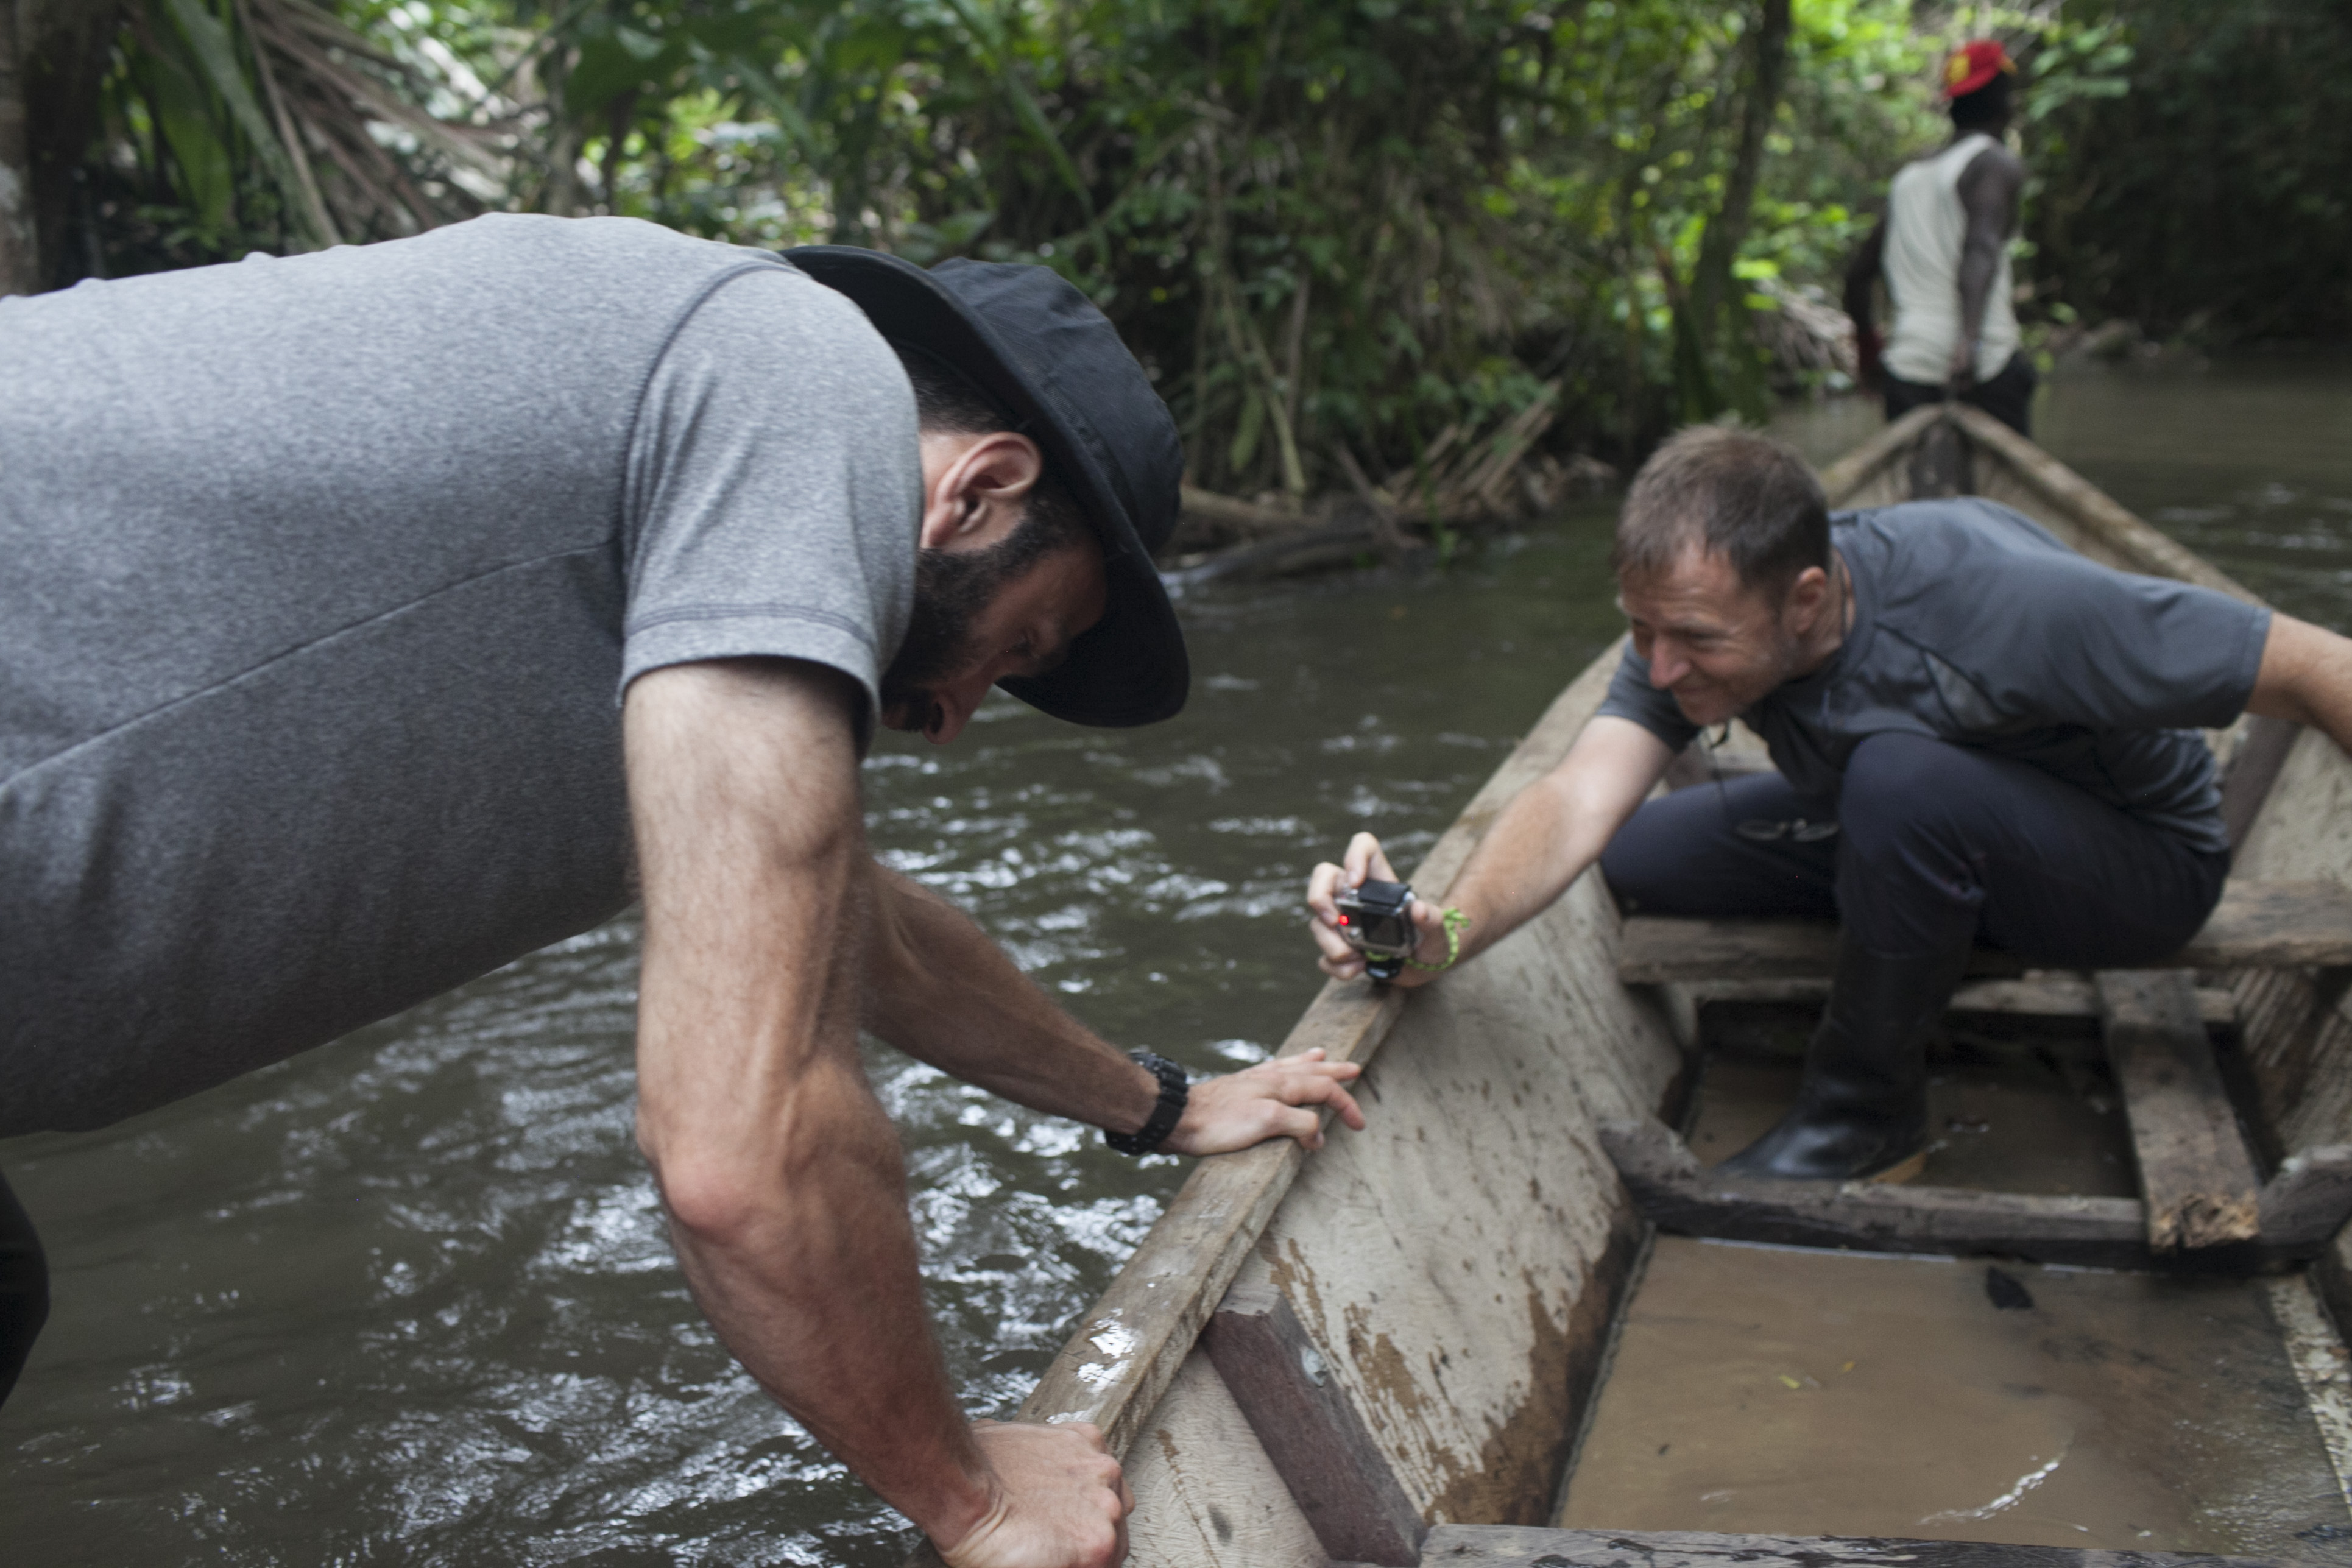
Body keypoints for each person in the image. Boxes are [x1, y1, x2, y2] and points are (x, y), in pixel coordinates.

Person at [0, 214, 1369, 1568]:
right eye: (1021, 645)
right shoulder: (790, 374)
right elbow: (739, 1156)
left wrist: (1163, 1105)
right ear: (976, 490)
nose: (954, 721)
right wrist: (976, 1500)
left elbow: (859, 926)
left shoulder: (671, 566)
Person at [1307, 425, 2352, 1184]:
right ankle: (1920, 901)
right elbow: (1579, 791)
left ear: (1805, 598)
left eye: (1698, 641)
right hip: (1927, 819)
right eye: (1641, 630)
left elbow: (2314, 665)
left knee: (1902, 781)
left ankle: (1866, 1116)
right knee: (1638, 855)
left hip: (2137, 869)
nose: (1662, 666)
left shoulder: (2005, 605)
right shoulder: (1688, 623)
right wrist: (1444, 929)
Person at [1844, 40, 2035, 437]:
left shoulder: (1908, 180)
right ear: (2002, 96)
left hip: (1909, 369)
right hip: (1984, 366)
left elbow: (1857, 276)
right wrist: (1969, 342)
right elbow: (1980, 248)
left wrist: (1868, 353)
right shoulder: (1993, 163)